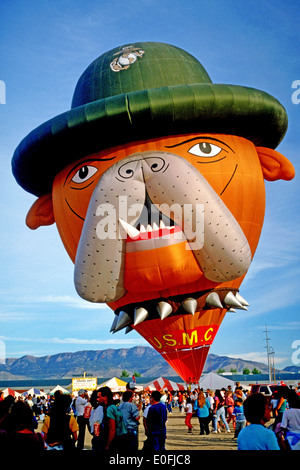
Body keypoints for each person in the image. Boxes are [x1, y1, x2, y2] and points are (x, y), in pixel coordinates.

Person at [97, 386, 127, 452]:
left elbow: (112, 430)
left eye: (99, 397)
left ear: (105, 398)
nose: (97, 399)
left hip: (115, 441)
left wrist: (107, 446)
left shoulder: (109, 409)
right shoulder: (114, 406)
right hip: (122, 438)